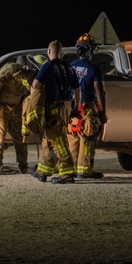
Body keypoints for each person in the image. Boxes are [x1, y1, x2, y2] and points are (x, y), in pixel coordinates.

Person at [27, 40, 77, 184]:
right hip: (66, 107)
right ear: (61, 53)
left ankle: (66, 174)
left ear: (49, 52)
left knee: (58, 141)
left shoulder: (47, 66)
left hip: (53, 109)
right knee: (48, 139)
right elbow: (77, 90)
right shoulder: (69, 68)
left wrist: (33, 102)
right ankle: (42, 171)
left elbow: (35, 86)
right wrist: (74, 107)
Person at [67, 33, 107, 180]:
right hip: (88, 108)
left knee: (73, 139)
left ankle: (70, 169)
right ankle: (84, 170)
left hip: (73, 108)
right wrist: (103, 113)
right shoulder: (94, 69)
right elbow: (100, 93)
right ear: (89, 50)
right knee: (88, 139)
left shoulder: (70, 67)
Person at [0, 61, 34, 174]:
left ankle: (23, 166)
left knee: (20, 137)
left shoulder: (32, 76)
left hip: (16, 106)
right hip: (1, 105)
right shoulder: (10, 69)